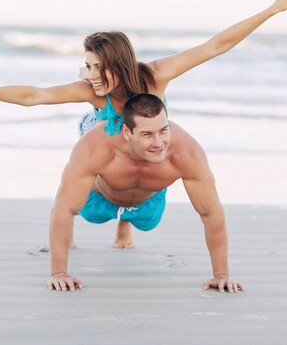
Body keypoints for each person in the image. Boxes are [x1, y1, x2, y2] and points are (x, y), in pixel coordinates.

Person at [0, 0, 287, 247]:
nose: (89, 75)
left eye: (98, 67)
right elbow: (35, 95)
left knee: (146, 218)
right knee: (92, 211)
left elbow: (215, 45)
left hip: (143, 149)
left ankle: (126, 220)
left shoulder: (155, 75)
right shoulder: (91, 93)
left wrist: (273, 8)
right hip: (104, 146)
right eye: (87, 65)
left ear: (119, 64)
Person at [47, 93, 243, 293]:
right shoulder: (95, 147)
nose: (158, 143)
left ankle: (125, 222)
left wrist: (221, 275)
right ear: (126, 132)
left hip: (147, 203)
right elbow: (64, 207)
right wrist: (59, 272)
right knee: (73, 202)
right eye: (147, 134)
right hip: (98, 198)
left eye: (163, 130)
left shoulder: (187, 152)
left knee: (148, 223)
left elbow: (210, 213)